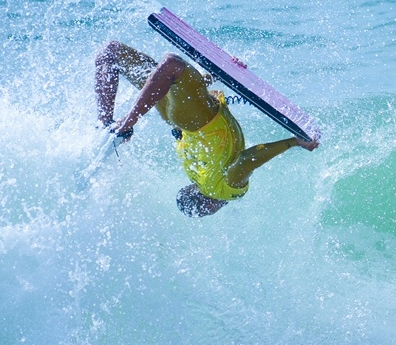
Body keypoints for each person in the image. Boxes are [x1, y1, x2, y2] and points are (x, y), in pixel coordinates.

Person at [94, 41, 319, 217]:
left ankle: (120, 127)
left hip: (195, 121)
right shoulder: (195, 174)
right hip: (176, 118)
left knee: (172, 65)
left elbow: (247, 160)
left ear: (208, 207)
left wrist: (293, 142)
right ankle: (106, 120)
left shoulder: (224, 190)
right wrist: (217, 75)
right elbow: (195, 101)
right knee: (111, 52)